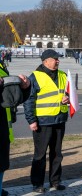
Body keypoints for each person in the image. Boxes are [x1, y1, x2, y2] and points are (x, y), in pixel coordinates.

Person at [23, 49, 70, 193]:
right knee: (40, 154)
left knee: (57, 153)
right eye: (54, 59)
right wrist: (32, 120)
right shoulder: (35, 77)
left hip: (59, 119)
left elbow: (67, 92)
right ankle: (37, 184)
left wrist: (66, 98)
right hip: (42, 122)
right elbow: (28, 100)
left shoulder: (62, 75)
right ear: (45, 61)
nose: (58, 61)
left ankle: (55, 181)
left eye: (58, 59)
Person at [1, 61, 31, 196]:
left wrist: (24, 88)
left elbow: (9, 98)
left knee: (1, 165)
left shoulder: (1, 65)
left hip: (3, 128)